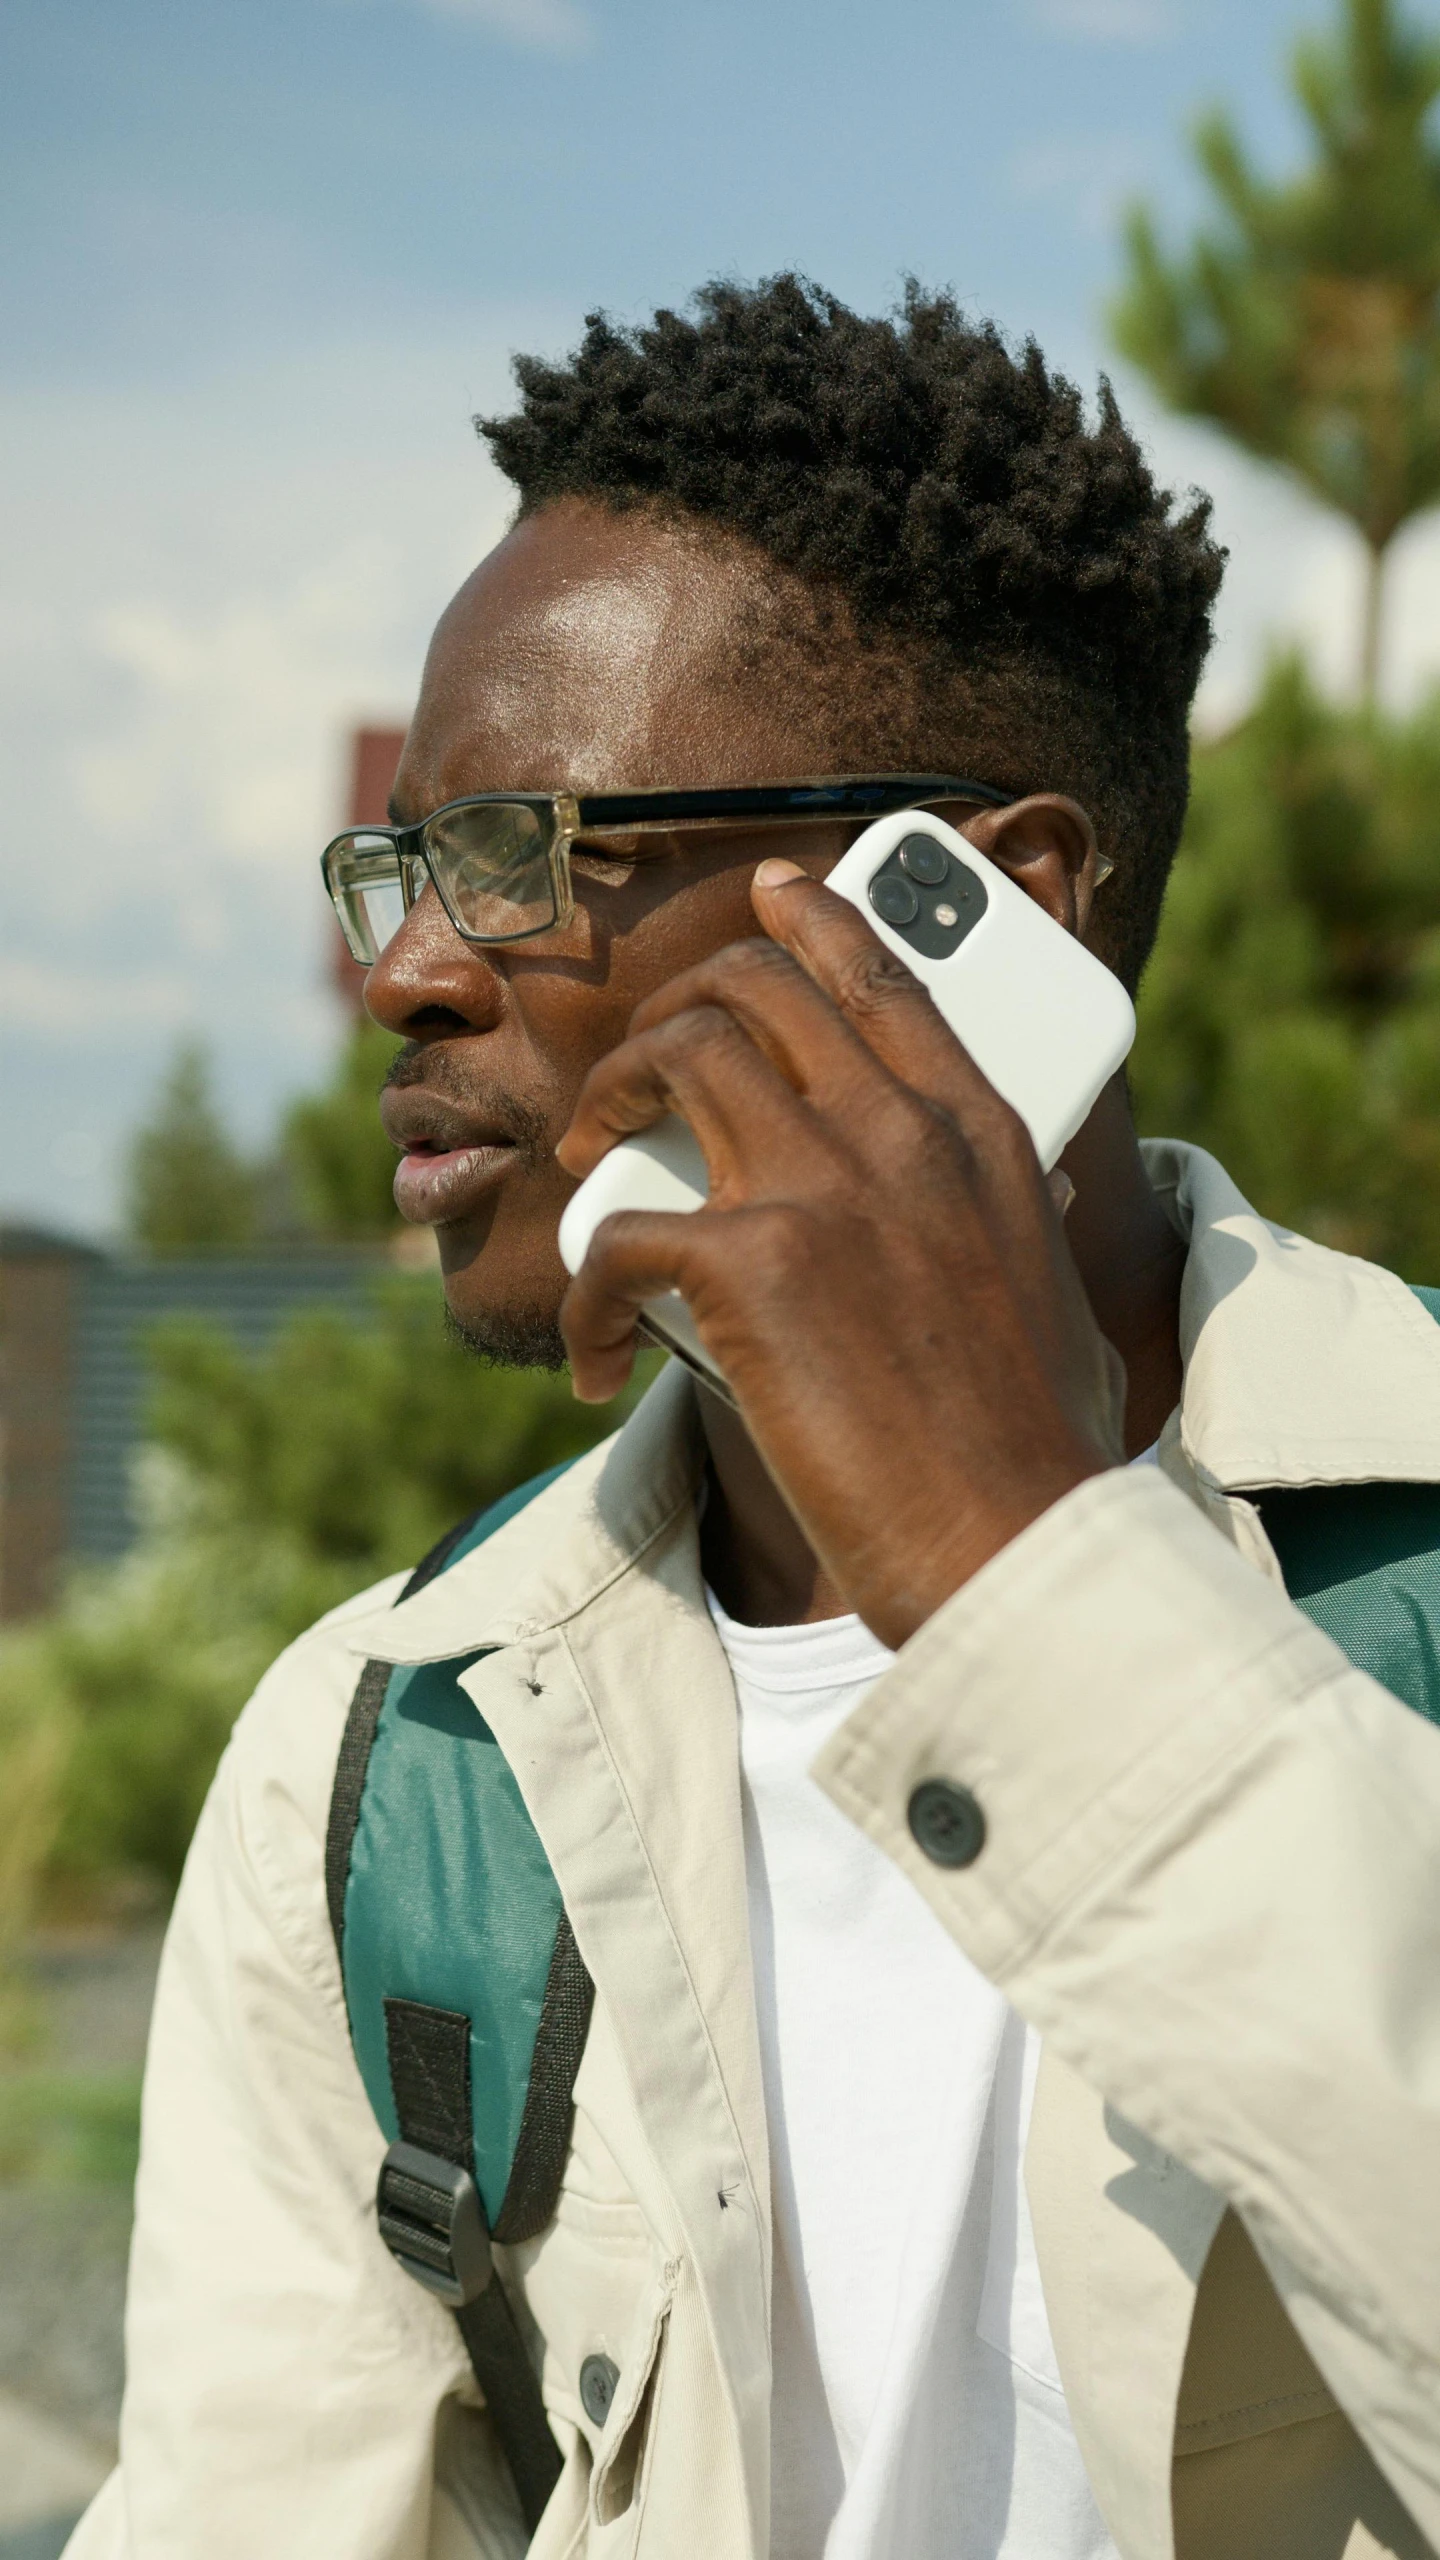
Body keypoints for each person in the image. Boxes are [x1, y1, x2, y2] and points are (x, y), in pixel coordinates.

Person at [67, 278, 1440, 2560]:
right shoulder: (390, 1759)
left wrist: (1021, 1571)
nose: (404, 967)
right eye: (406, 861)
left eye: (523, 852)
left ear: (985, 911)